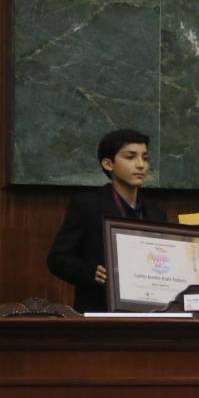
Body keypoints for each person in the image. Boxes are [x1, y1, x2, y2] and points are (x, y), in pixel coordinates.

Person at [47, 129, 166, 312]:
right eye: (130, 157)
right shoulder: (88, 205)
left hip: (150, 310)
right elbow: (58, 259)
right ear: (108, 164)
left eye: (145, 158)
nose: (141, 165)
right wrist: (89, 272)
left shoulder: (156, 212)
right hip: (100, 309)